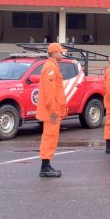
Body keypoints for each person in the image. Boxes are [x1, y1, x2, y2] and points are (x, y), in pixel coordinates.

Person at [36, 43, 68, 177]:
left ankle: (46, 165)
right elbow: (50, 93)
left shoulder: (52, 66)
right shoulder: (51, 68)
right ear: (54, 53)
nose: (63, 54)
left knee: (50, 137)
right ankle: (45, 167)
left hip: (53, 111)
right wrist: (54, 111)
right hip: (52, 112)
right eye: (61, 52)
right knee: (49, 138)